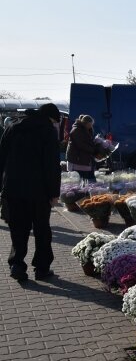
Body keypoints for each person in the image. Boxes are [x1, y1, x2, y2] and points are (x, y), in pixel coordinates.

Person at [0, 103, 61, 281]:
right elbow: (51, 165)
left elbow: (1, 157)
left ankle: (17, 265)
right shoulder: (48, 131)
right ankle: (42, 269)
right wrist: (54, 193)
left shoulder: (13, 126)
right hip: (39, 191)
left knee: (18, 228)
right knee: (42, 230)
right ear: (50, 118)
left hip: (13, 188)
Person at [66, 114, 98, 182]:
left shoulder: (86, 130)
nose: (91, 126)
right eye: (90, 125)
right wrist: (93, 149)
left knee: (88, 178)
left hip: (83, 158)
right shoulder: (76, 130)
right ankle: (83, 191)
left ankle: (87, 190)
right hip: (77, 159)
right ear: (85, 123)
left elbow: (87, 141)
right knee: (81, 179)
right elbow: (80, 144)